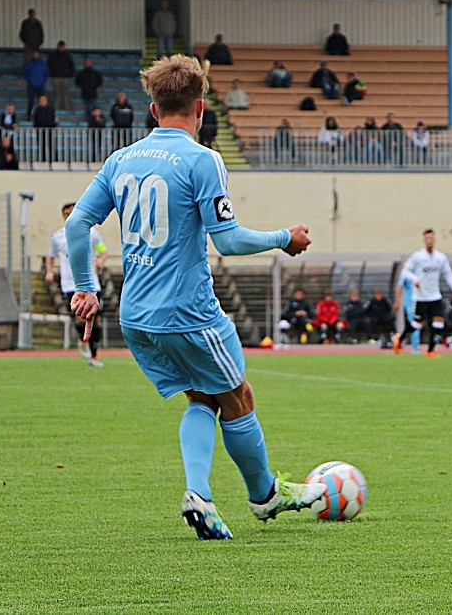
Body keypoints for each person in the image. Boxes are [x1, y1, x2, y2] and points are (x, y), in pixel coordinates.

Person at [64, 54, 325, 541]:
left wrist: (85, 288)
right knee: (239, 395)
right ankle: (265, 496)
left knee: (202, 397)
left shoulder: (121, 160)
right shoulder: (203, 159)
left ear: (152, 108)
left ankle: (200, 496)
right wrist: (282, 236)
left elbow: (77, 223)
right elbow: (226, 240)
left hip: (137, 316)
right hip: (187, 310)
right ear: (202, 107)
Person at [47, 202, 108, 366]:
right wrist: (50, 271)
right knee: (82, 318)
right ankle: (83, 340)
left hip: (92, 284)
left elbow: (103, 250)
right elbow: (51, 256)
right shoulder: (58, 236)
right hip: (70, 285)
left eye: (72, 212)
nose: (69, 216)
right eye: (66, 213)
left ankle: (93, 356)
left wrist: (101, 260)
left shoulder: (92, 233)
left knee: (96, 320)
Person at [398, 229, 452, 357]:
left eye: (431, 238)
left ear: (434, 240)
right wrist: (415, 279)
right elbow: (405, 271)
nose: (429, 241)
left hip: (435, 296)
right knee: (417, 324)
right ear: (424, 240)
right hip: (421, 297)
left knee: (438, 321)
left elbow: (448, 274)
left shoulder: (440, 257)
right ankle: (400, 339)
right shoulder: (417, 257)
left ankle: (430, 350)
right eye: (427, 238)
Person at [392, 270, 422, 355]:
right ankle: (415, 349)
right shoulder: (406, 273)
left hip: (420, 301)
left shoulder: (420, 271)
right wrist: (397, 301)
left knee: (416, 324)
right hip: (410, 303)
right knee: (415, 323)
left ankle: (399, 339)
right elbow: (399, 287)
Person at [47, 41, 75, 111]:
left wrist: (70, 75)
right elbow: (49, 65)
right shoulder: (52, 55)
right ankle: (56, 107)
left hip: (65, 77)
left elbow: (71, 66)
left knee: (65, 93)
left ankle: (66, 107)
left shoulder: (68, 56)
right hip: (55, 77)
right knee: (57, 93)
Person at [22, 50, 50, 119]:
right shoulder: (29, 63)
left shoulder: (42, 64)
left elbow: (46, 74)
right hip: (31, 85)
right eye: (34, 53)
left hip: (40, 85)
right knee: (31, 102)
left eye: (36, 53)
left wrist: (42, 81)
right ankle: (30, 116)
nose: (35, 55)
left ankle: (42, 116)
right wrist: (30, 80)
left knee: (42, 102)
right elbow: (25, 73)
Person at [30, 94, 57, 162]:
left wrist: (55, 125)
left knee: (50, 144)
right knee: (42, 145)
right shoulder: (36, 108)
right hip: (40, 130)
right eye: (41, 100)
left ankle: (52, 159)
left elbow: (55, 118)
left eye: (44, 100)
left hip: (50, 129)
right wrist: (36, 126)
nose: (43, 101)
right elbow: (33, 118)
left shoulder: (51, 108)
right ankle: (43, 159)